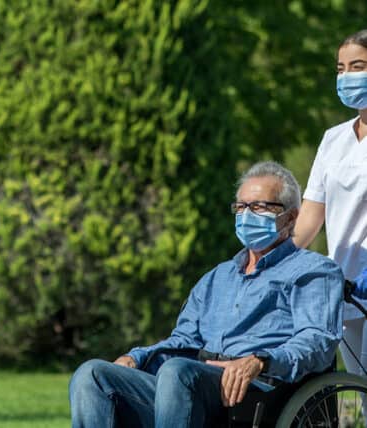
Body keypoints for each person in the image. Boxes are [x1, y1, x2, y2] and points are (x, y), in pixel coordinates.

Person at [69, 161, 343, 428]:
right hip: (194, 382)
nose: (247, 215)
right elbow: (184, 341)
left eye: (259, 207)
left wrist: (259, 360)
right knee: (92, 375)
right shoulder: (217, 278)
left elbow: (316, 340)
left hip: (261, 388)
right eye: (241, 207)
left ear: (291, 216)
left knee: (179, 372)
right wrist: (138, 357)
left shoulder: (314, 270)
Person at [293, 29, 367, 407]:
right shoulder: (333, 139)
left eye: (358, 66)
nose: (347, 76)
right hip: (344, 289)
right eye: (341, 68)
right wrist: (276, 260)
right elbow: (311, 215)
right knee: (356, 389)